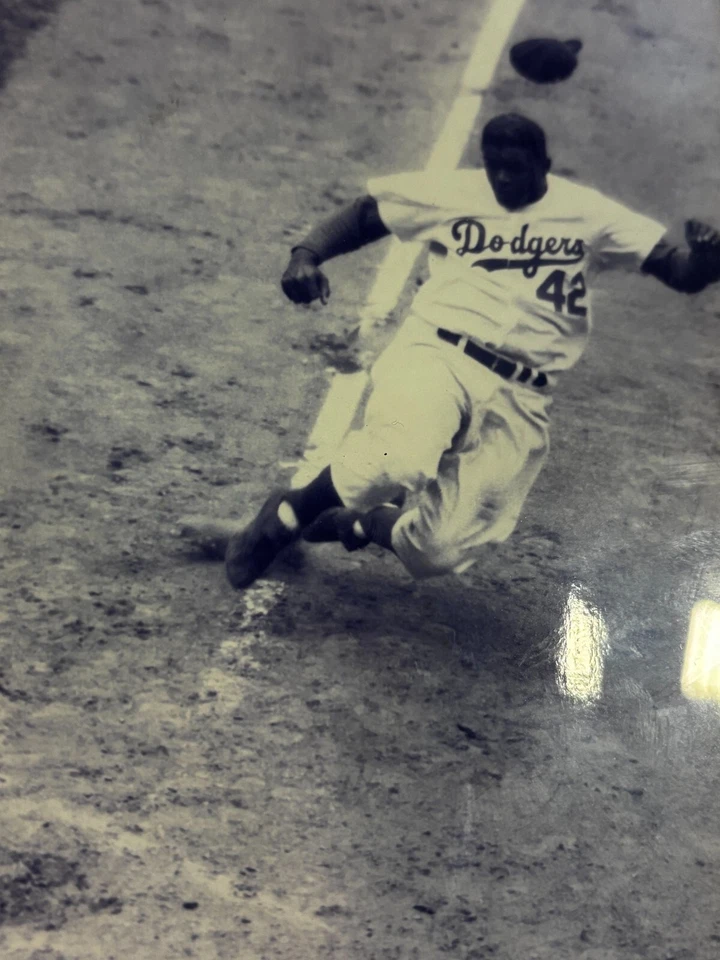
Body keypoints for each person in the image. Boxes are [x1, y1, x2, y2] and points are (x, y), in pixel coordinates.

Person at [185, 113, 720, 589]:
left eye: (516, 168)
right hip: (438, 354)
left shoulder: (590, 215)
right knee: (398, 454)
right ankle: (285, 515)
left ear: (545, 164)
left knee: (437, 550)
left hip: (522, 393)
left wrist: (708, 259)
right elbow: (369, 213)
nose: (504, 179)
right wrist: (306, 255)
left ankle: (352, 523)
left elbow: (677, 271)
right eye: (495, 168)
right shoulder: (456, 192)